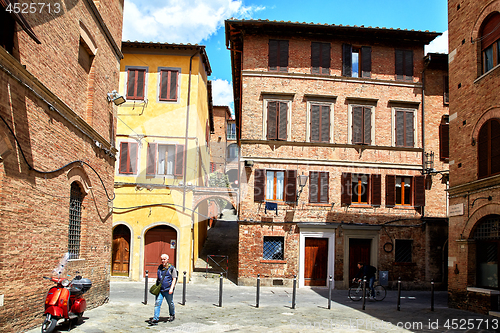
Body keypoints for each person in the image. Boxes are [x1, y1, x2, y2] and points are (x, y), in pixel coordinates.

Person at [148, 254, 177, 325]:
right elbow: (158, 278)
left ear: (167, 260)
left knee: (170, 303)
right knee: (157, 303)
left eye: (164, 259)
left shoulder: (172, 268)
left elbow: (174, 279)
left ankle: (172, 314)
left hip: (168, 289)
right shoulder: (159, 267)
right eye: (162, 259)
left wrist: (171, 289)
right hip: (160, 289)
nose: (163, 261)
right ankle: (155, 319)